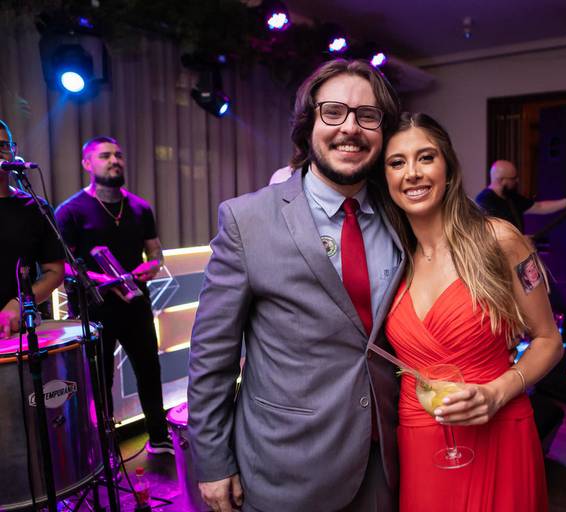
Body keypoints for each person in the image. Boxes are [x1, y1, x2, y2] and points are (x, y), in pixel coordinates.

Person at [188, 59, 403, 512]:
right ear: (307, 126)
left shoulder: (401, 216)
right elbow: (212, 355)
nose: (350, 128)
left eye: (367, 116)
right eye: (333, 112)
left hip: (384, 461)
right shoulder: (246, 219)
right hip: (286, 466)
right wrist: (212, 460)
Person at [377, 112, 563, 511]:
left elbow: (549, 340)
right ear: (385, 177)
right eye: (397, 162)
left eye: (426, 157)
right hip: (420, 439)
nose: (412, 173)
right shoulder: (389, 259)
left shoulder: (500, 240)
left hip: (500, 431)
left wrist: (498, 393)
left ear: (448, 167)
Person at [55, 136, 172, 454]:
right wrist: (104, 280)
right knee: (99, 379)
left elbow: (156, 253)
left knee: (149, 370)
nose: (114, 161)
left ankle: (158, 438)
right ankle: (104, 448)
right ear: (87, 163)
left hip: (135, 303)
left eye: (118, 155)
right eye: (105, 156)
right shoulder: (70, 211)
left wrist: (153, 266)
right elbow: (62, 266)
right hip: (95, 310)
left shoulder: (140, 207)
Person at [0, 119, 64, 338]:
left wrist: (19, 303)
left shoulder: (36, 207)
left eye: (3, 145)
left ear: (13, 152)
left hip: (20, 333)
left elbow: (55, 271)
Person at [475, 159, 566, 231]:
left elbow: (539, 207)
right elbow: (490, 233)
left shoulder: (511, 197)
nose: (517, 181)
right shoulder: (484, 201)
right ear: (501, 180)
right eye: (513, 178)